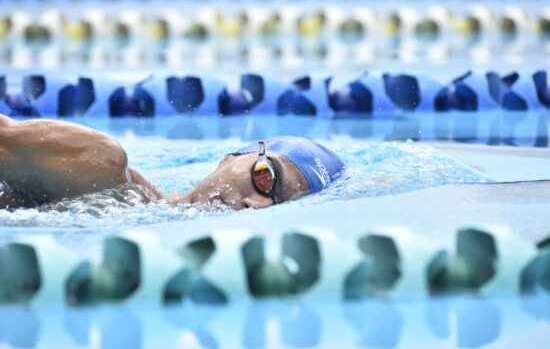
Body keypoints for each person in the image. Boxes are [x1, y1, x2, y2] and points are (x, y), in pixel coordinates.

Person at [0, 114, 345, 210]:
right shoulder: (97, 163)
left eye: (273, 204)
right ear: (229, 159)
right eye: (266, 179)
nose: (255, 204)